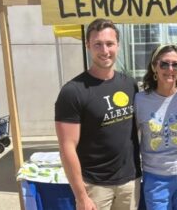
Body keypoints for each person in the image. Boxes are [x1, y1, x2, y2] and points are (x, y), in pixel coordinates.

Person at [55, 18, 141, 210]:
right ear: (88, 46)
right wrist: (81, 196)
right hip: (95, 187)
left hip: (129, 183)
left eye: (110, 44)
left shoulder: (129, 84)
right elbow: (67, 147)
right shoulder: (73, 91)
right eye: (98, 44)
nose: (105, 51)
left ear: (118, 45)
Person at [135, 44, 177, 210]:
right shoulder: (139, 100)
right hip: (155, 177)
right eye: (164, 64)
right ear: (154, 67)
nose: (170, 69)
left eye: (176, 64)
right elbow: (128, 139)